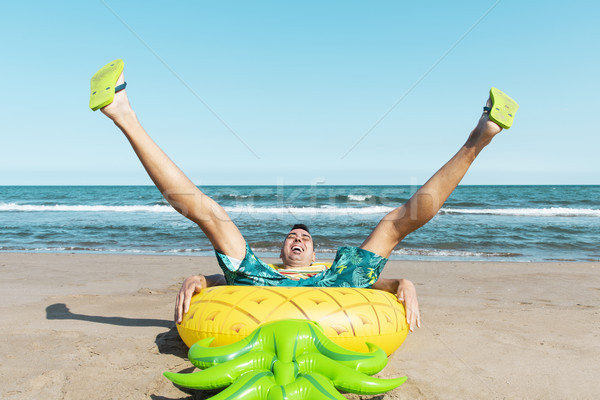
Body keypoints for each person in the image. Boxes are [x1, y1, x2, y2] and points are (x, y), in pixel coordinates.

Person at [92, 60, 517, 334]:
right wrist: (201, 280)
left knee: (395, 222)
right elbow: (229, 283)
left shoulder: (339, 269)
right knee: (212, 216)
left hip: (333, 286)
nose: (298, 239)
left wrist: (399, 282)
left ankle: (481, 136)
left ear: (315, 252)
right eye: (292, 237)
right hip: (264, 286)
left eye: (305, 238)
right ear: (280, 249)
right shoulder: (259, 269)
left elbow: (372, 285)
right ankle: (122, 113)